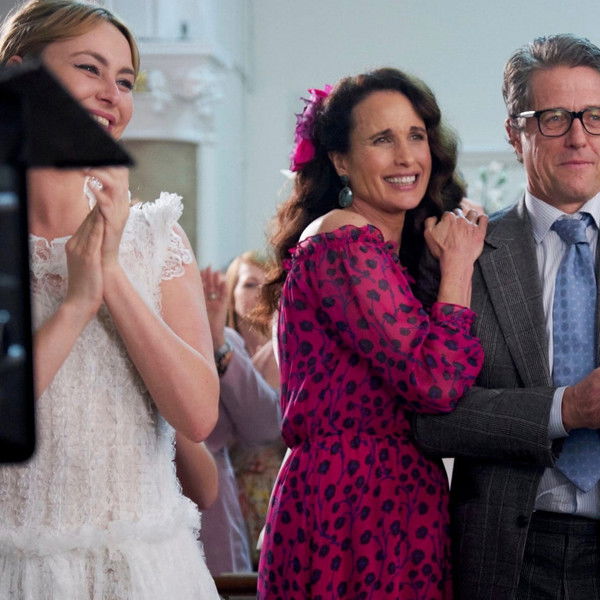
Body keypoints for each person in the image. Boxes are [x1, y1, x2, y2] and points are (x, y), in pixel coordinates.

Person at [0, 1, 220, 598]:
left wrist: (111, 272)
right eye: (88, 68)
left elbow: (198, 416)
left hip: (146, 572)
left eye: (124, 80)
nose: (111, 95)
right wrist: (76, 304)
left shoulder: (157, 238)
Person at [255, 67, 488, 599]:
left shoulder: (385, 249)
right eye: (382, 139)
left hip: (397, 497)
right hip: (351, 503)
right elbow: (435, 381)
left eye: (416, 135)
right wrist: (458, 267)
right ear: (340, 159)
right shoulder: (344, 239)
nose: (406, 157)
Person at [413, 34, 600, 600]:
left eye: (595, 116)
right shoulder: (460, 253)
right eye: (554, 118)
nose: (579, 137)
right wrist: (564, 409)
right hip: (507, 554)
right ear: (515, 135)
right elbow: (433, 419)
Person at [199, 253, 282, 575]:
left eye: (266, 284)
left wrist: (219, 343)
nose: (259, 293)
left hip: (256, 498)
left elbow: (266, 425)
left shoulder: (286, 346)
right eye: (248, 284)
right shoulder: (215, 340)